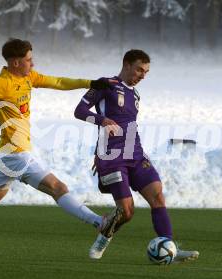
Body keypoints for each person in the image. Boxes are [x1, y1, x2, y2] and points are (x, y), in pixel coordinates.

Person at [0, 38, 123, 255]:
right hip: (16, 154)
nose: (33, 64)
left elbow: (57, 82)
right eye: (29, 60)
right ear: (16, 62)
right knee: (58, 188)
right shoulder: (2, 84)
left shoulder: (28, 77)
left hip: (6, 154)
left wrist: (90, 83)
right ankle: (99, 223)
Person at [74, 49, 199, 261]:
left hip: (136, 153)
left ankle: (169, 247)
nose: (142, 75)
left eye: (146, 72)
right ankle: (104, 237)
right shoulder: (105, 84)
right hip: (112, 156)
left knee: (157, 195)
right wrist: (102, 122)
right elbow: (79, 111)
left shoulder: (136, 94)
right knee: (127, 211)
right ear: (126, 64)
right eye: (140, 70)